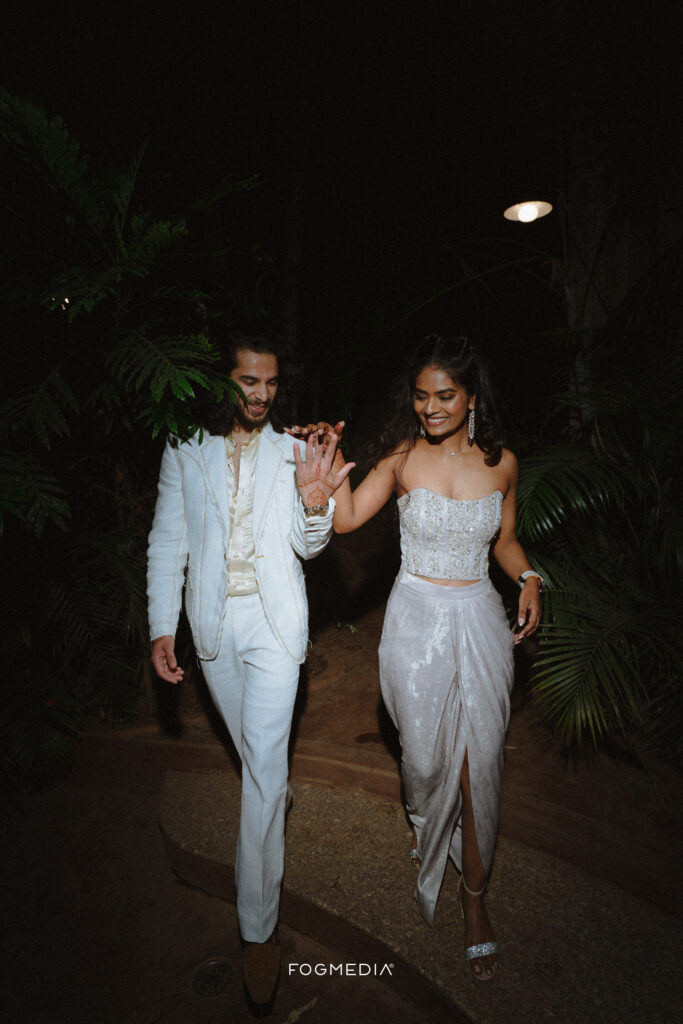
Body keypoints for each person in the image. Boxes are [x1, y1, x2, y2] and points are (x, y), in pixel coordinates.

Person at [146, 329, 350, 1006]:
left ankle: (256, 932)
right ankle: (273, 796)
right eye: (248, 382)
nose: (262, 395)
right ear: (224, 379)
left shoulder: (293, 449)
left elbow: (307, 546)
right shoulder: (185, 444)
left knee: (261, 770)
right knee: (258, 759)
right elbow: (167, 538)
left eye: (271, 382)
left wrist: (315, 502)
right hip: (211, 625)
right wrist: (161, 626)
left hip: (273, 624)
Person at [331, 333, 543, 981]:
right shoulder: (401, 458)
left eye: (445, 395)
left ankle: (474, 899)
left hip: (479, 619)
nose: (430, 407)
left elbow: (504, 540)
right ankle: (424, 817)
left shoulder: (502, 464)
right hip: (414, 621)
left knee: (479, 765)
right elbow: (346, 519)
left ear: (471, 397)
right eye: (421, 396)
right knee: (423, 759)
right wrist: (324, 474)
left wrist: (529, 577)